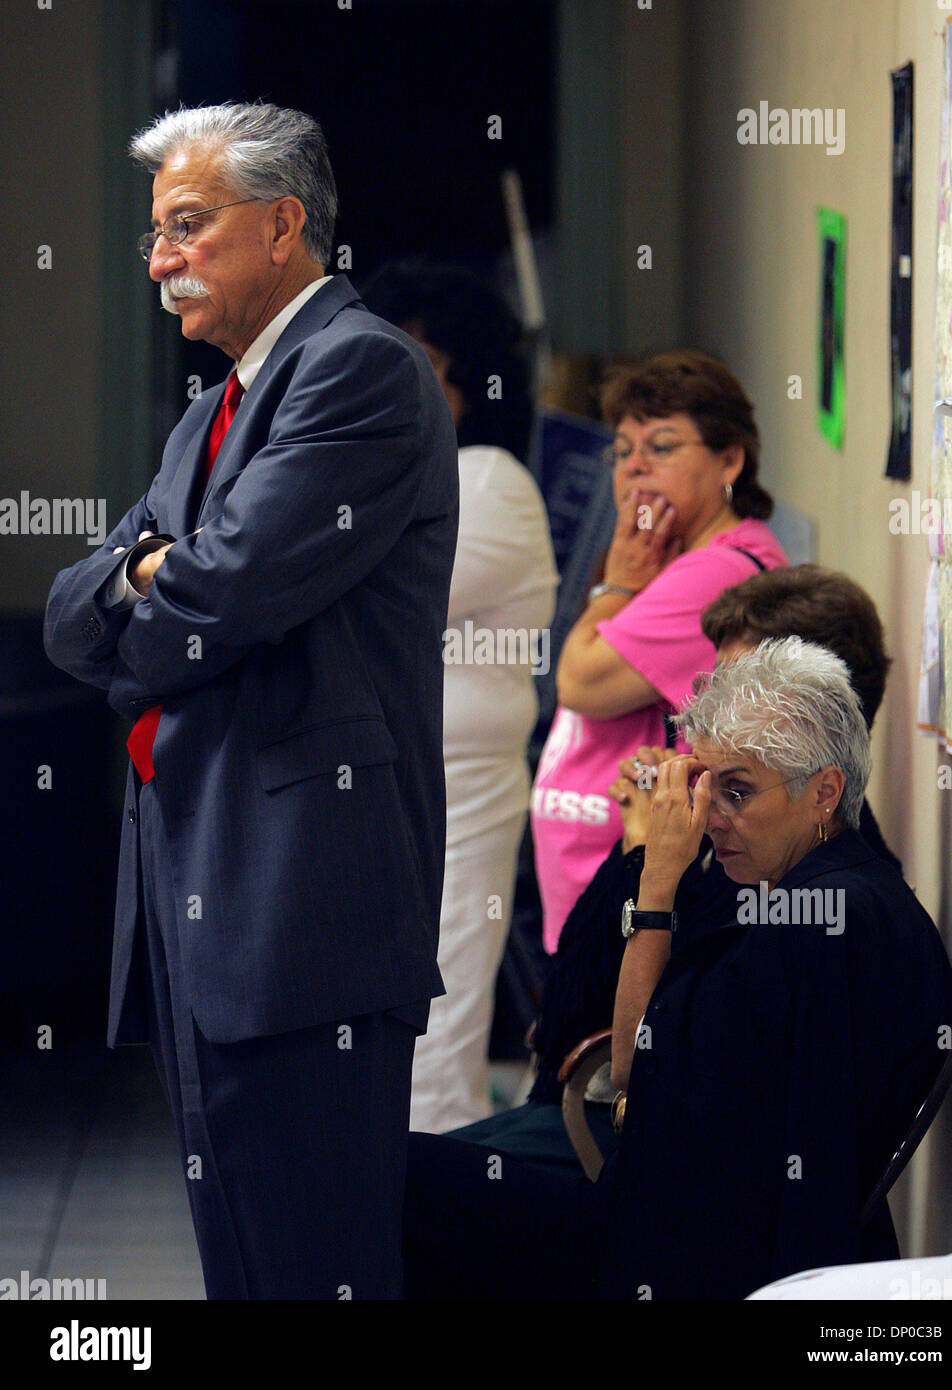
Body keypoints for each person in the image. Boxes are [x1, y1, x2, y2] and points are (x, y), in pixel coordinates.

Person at [43, 102, 459, 1299]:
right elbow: (82, 615)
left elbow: (224, 591)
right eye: (155, 235)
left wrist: (165, 588)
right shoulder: (213, 403)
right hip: (203, 895)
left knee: (310, 1266)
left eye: (187, 225)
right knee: (241, 1266)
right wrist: (142, 572)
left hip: (301, 909)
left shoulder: (360, 371)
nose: (162, 257)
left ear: (283, 226)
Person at [403, 639, 952, 1299]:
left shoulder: (807, 926)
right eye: (704, 786)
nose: (710, 818)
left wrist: (658, 882)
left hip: (666, 1259)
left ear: (824, 792)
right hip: (695, 1234)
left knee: (390, 1174)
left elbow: (632, 1064)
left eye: (737, 791)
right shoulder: (850, 897)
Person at [447, 564, 901, 1170]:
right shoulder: (763, 842)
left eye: (730, 685)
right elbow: (569, 1010)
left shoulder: (807, 888)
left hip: (651, 1187)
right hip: (606, 1131)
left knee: (391, 1184)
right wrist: (645, 852)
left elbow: (641, 1064)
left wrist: (650, 867)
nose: (700, 704)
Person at [362, 260, 558, 1131]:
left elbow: (364, 594)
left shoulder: (487, 481)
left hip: (459, 786)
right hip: (383, 785)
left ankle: (438, 1233)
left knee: (437, 1023)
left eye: (417, 367)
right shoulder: (403, 478)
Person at [532, 351, 788, 953]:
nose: (636, 469)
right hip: (604, 889)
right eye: (622, 451)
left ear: (729, 459)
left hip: (629, 892)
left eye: (663, 447)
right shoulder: (673, 561)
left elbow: (580, 682)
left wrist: (616, 587)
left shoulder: (716, 571)